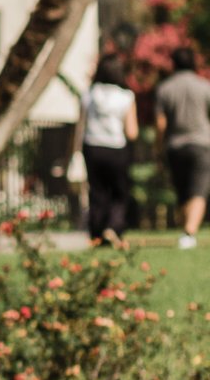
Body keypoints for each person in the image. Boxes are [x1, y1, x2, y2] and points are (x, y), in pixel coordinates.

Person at [152, 44, 210, 250]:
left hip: (175, 145)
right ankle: (189, 232)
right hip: (202, 144)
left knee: (183, 190)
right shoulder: (204, 86)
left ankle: (187, 231)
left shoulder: (165, 88)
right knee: (199, 190)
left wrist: (158, 148)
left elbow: (161, 124)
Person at [80, 51, 138, 245]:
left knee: (97, 192)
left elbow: (80, 126)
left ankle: (96, 234)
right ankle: (113, 227)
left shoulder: (89, 94)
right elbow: (132, 132)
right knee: (119, 193)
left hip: (92, 147)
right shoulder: (125, 96)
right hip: (116, 148)